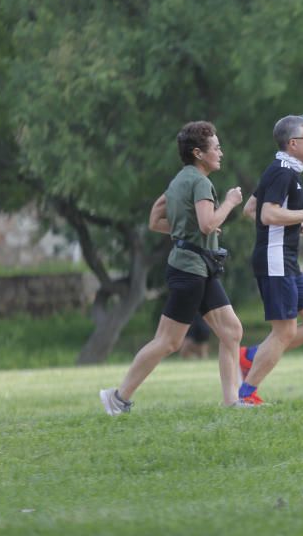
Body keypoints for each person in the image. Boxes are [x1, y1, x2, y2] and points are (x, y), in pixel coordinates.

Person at [100, 121, 244, 414]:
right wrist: (229, 203)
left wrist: (192, 235)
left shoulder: (179, 180)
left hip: (198, 268)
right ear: (198, 153)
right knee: (169, 342)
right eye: (215, 148)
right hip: (190, 272)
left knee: (231, 331)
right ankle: (118, 397)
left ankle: (233, 402)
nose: (221, 152)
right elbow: (208, 223)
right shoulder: (201, 182)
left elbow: (156, 220)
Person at [236, 114, 303, 406]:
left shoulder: (285, 170)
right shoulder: (282, 172)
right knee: (285, 330)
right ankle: (246, 395)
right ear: (293, 143)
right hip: (275, 260)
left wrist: (292, 222)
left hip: (286, 260)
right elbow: (265, 214)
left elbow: (251, 208)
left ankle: (250, 356)